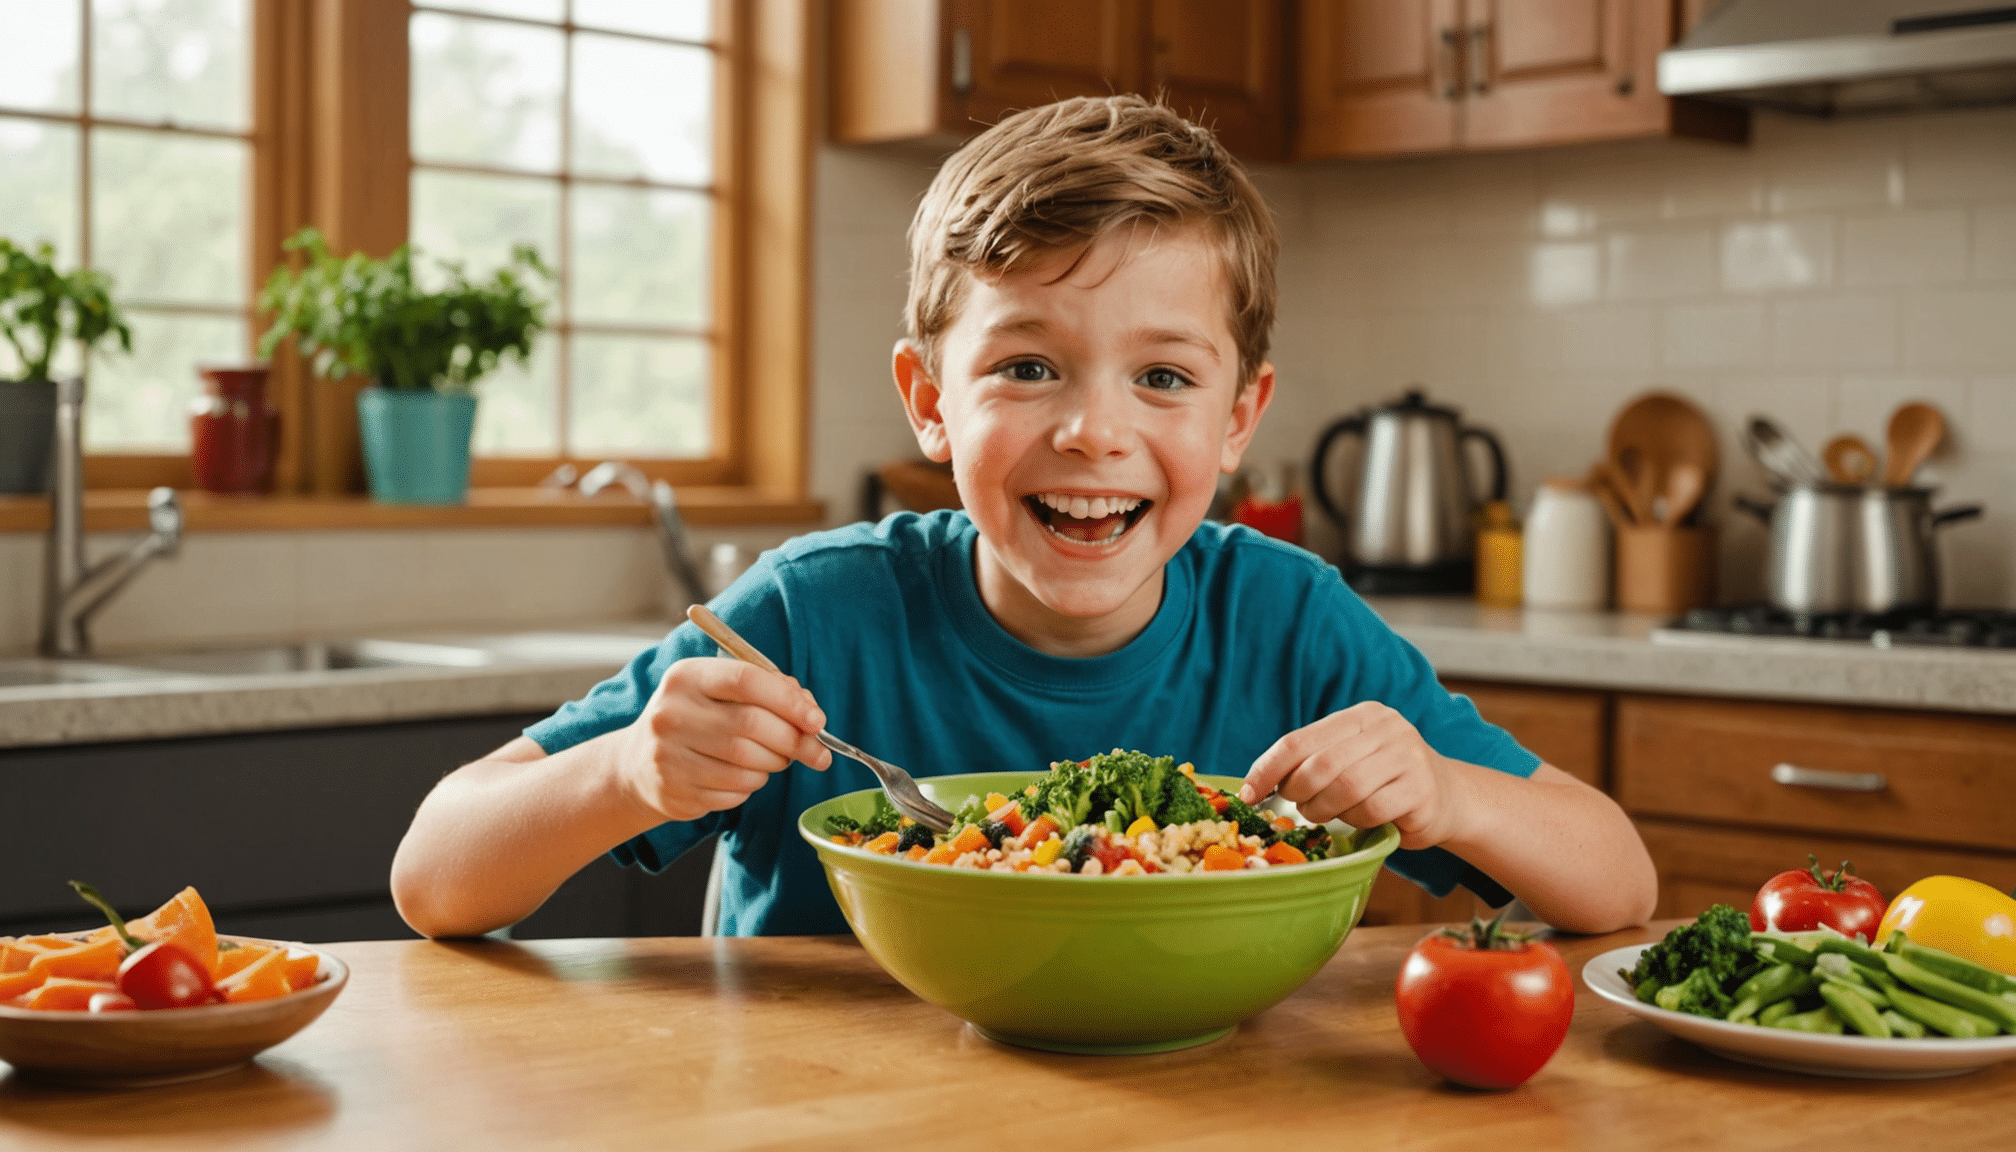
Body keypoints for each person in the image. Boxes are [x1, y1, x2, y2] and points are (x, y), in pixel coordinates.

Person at [390, 96, 1657, 939]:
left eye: (1162, 377)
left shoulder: (1289, 625)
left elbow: (1619, 881)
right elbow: (435, 875)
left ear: (1239, 417)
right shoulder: (806, 617)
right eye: (1026, 367)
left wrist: (1446, 792)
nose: (1092, 433)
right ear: (928, 403)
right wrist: (626, 772)